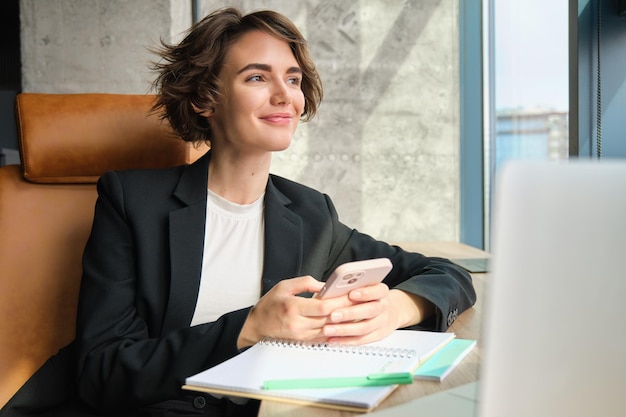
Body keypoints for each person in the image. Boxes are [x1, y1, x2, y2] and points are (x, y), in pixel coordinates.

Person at [74, 7, 477, 417]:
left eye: (293, 79)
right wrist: (249, 328)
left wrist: (394, 309)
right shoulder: (131, 201)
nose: (285, 95)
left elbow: (448, 275)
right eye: (256, 77)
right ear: (203, 99)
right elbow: (100, 373)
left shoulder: (310, 213)